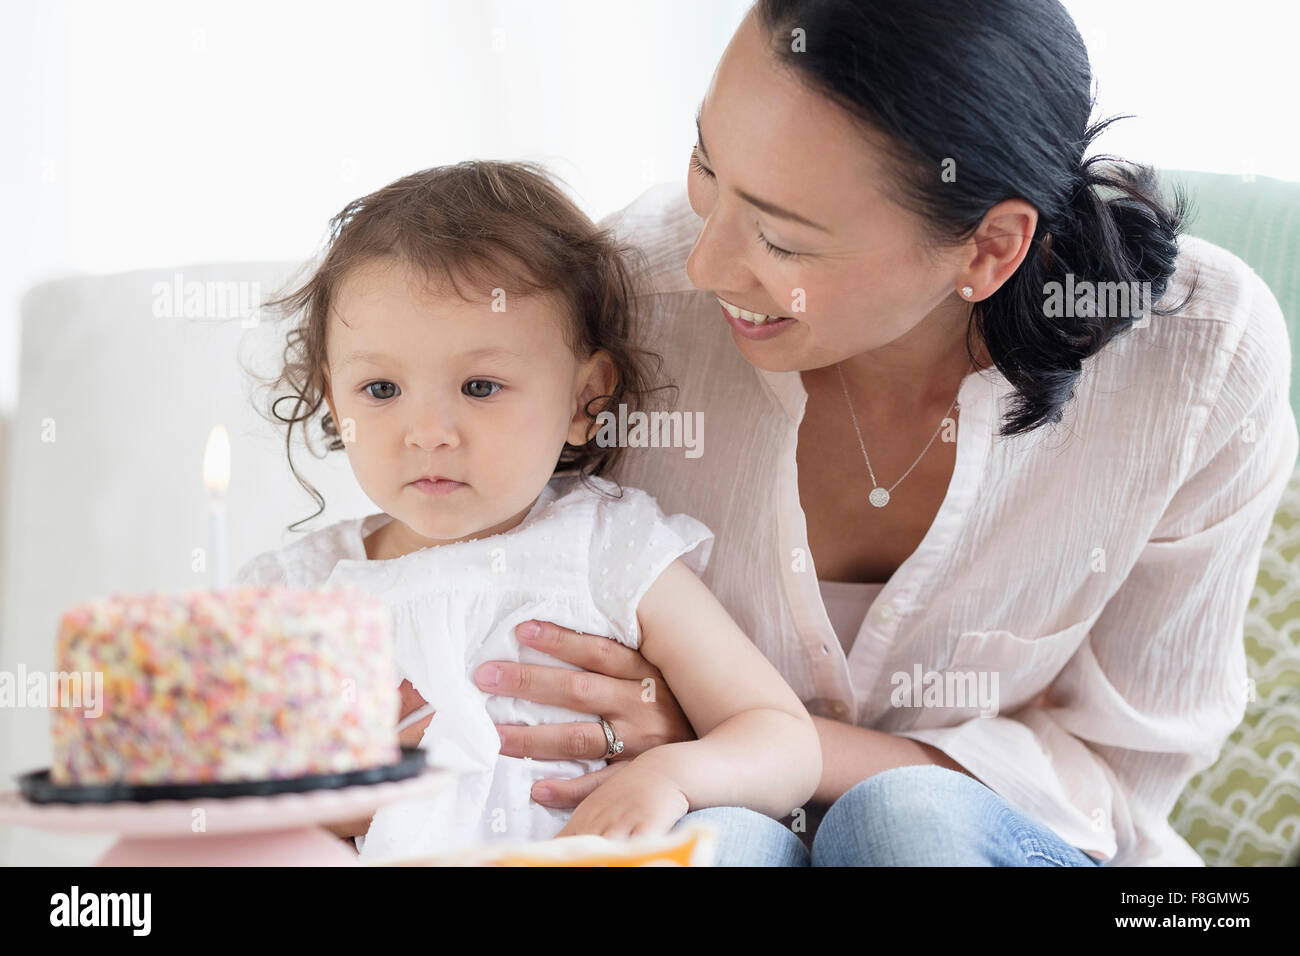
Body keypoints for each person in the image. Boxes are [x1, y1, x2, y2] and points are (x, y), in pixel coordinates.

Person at [408, 0, 1299, 866]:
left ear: (989, 249)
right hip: (691, 813)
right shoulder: (617, 307)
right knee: (725, 841)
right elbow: (465, 578)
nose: (705, 262)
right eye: (706, 168)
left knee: (907, 826)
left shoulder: (1199, 361)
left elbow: (1117, 767)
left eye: (783, 240)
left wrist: (742, 740)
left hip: (993, 840)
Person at [234, 160, 822, 861]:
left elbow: (783, 740)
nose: (427, 432)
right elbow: (221, 808)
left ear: (585, 400)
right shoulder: (302, 591)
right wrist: (325, 801)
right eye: (381, 388)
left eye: (480, 385)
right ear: (334, 399)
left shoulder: (608, 549)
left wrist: (672, 774)